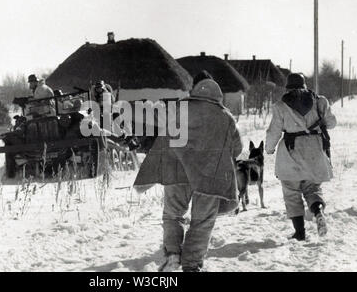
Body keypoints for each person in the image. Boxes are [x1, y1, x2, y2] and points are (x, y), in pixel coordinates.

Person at [133, 79, 242, 272]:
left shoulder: (179, 110)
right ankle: (191, 265)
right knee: (203, 220)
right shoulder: (225, 116)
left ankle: (173, 254)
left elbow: (165, 137)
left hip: (177, 170)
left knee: (173, 214)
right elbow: (237, 148)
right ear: (217, 96)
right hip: (210, 175)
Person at [265, 73, 336, 241]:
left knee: (291, 192)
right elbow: (331, 123)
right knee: (312, 188)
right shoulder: (320, 101)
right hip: (315, 151)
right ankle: (318, 211)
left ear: (288, 87)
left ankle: (299, 232)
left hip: (291, 153)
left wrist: (269, 149)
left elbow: (274, 131)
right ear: (305, 85)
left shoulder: (280, 106)